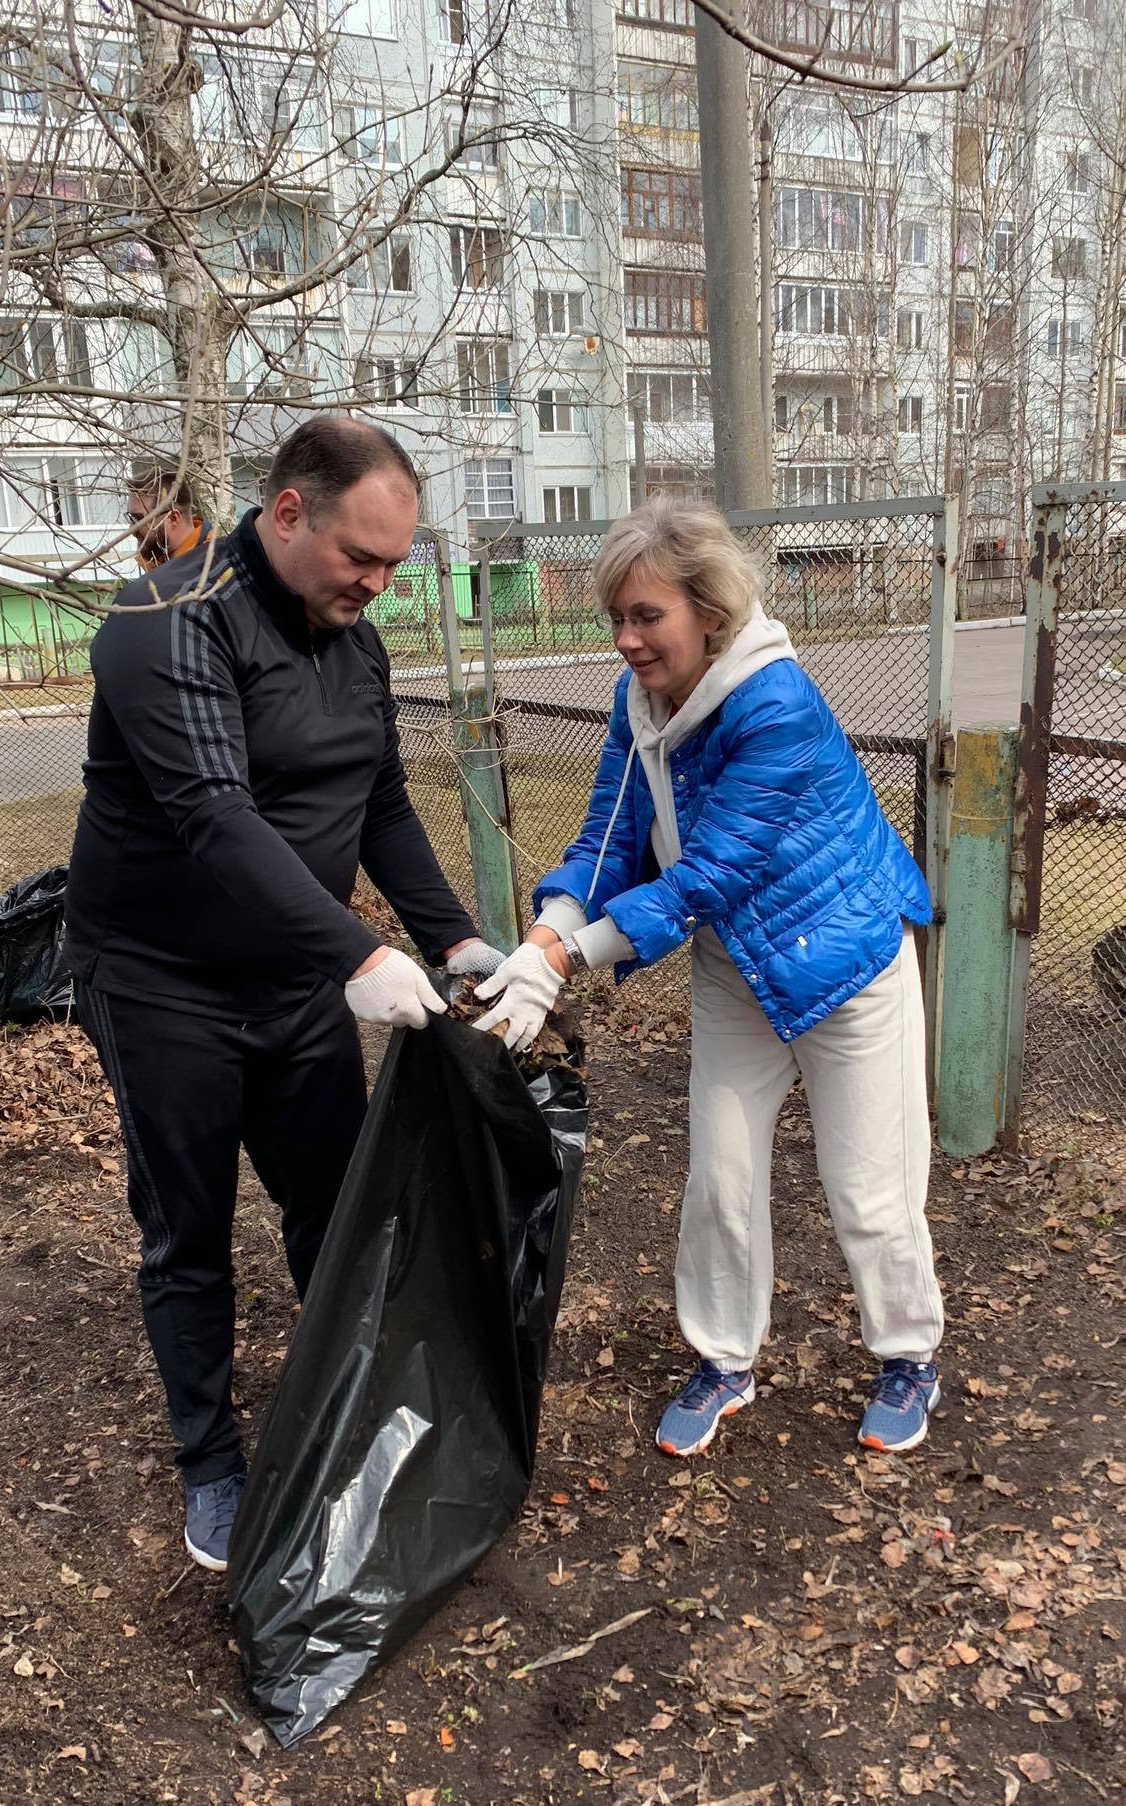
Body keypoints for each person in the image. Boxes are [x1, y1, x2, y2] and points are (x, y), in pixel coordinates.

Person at [67, 418, 504, 1571]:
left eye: (396, 565)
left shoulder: (354, 640)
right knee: (188, 1229)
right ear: (290, 510)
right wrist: (360, 956)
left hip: (297, 978)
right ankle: (210, 1460)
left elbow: (381, 807)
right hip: (166, 985)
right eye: (363, 556)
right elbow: (215, 814)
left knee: (334, 1205)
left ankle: (347, 1408)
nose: (378, 583)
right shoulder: (165, 618)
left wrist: (453, 939)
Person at [475, 503, 944, 1459]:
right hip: (737, 968)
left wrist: (567, 960)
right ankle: (725, 1360)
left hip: (845, 961)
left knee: (870, 1191)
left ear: (710, 611)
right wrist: (541, 936)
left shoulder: (774, 701)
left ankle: (908, 1353)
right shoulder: (637, 701)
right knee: (720, 1181)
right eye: (616, 617)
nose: (626, 638)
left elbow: (711, 872)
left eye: (647, 615)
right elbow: (610, 833)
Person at [127, 464, 212, 572]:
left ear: (173, 518)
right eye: (130, 518)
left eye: (138, 519)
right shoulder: (156, 562)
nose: (131, 529)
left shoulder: (212, 567)